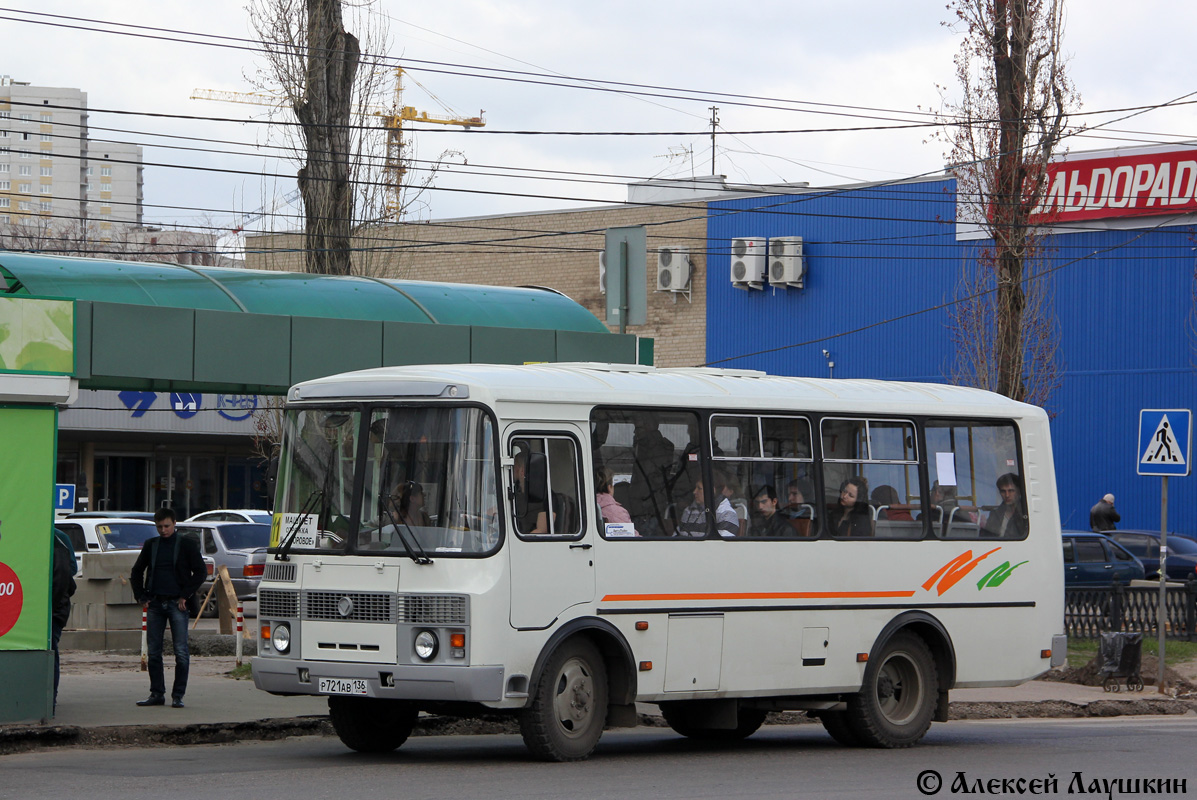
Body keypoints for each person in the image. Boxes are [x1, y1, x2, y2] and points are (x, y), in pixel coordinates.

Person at [130, 508, 205, 709]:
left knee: (181, 651)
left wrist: (185, 595)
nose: (163, 530)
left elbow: (200, 572)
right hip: (155, 603)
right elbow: (136, 571)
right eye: (159, 527)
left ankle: (178, 695)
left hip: (176, 604)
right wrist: (141, 596)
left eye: (166, 526)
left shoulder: (186, 545)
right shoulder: (151, 545)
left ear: (174, 524)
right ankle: (157, 693)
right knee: (154, 652)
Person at [50, 527, 77, 714]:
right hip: (55, 606)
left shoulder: (58, 538)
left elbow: (71, 569)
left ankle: (51, 695)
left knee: (51, 650)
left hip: (55, 607)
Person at [512, 451, 548, 534]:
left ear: (522, 471)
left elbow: (541, 530)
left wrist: (520, 546)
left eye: (513, 466)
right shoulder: (516, 494)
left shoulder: (546, 497)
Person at [982, 473, 1028, 539]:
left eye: (1011, 491)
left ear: (1019, 492)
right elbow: (985, 536)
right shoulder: (994, 514)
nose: (1007, 495)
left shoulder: (1025, 513)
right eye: (1003, 491)